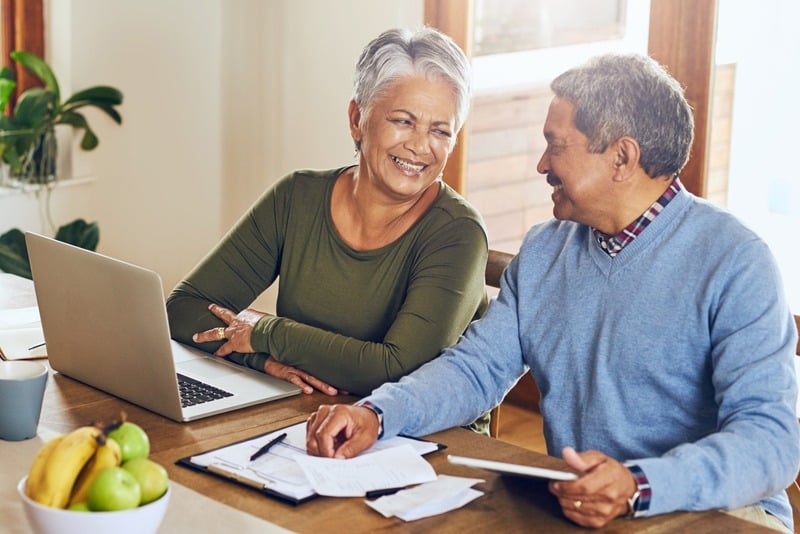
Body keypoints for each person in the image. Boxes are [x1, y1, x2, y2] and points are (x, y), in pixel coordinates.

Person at [305, 53, 800, 531]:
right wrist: (377, 412)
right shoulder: (545, 249)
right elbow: (476, 370)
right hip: (581, 510)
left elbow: (771, 443)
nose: (542, 163)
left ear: (622, 157)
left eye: (555, 144)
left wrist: (637, 486)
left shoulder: (736, 261)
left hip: (719, 516)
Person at [166, 27, 488, 401]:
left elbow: (397, 370)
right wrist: (262, 360)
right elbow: (183, 311)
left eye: (440, 131)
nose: (420, 146)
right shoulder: (296, 197)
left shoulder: (458, 233)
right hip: (303, 413)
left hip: (420, 438)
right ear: (357, 118)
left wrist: (265, 332)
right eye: (403, 121)